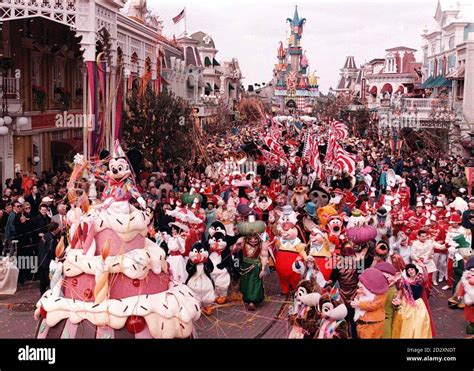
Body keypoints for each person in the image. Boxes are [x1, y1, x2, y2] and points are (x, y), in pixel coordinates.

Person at [391, 264, 433, 338]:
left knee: (420, 322)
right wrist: (397, 298)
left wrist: (423, 267)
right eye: (409, 270)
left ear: (415, 269)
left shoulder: (420, 279)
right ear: (407, 272)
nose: (410, 271)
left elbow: (426, 278)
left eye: (412, 269)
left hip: (418, 304)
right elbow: (401, 290)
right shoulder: (404, 281)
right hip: (406, 304)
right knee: (407, 322)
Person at [37, 222, 60, 295]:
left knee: (42, 281)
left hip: (41, 260)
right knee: (48, 280)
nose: (59, 229)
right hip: (46, 261)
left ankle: (42, 295)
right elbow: (50, 250)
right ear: (54, 229)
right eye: (58, 228)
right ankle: (51, 294)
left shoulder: (46, 235)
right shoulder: (51, 239)